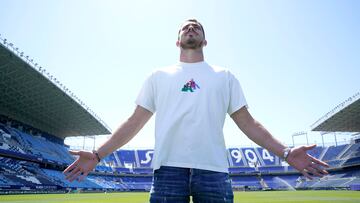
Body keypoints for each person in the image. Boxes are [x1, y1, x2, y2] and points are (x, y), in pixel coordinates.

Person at [63, 19, 329, 202]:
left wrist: (284, 151)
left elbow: (248, 123)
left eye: (197, 26)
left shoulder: (224, 76)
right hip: (168, 171)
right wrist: (98, 155)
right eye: (185, 27)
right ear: (178, 41)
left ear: (205, 40)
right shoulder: (158, 76)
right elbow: (134, 122)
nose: (191, 27)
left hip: (214, 171)